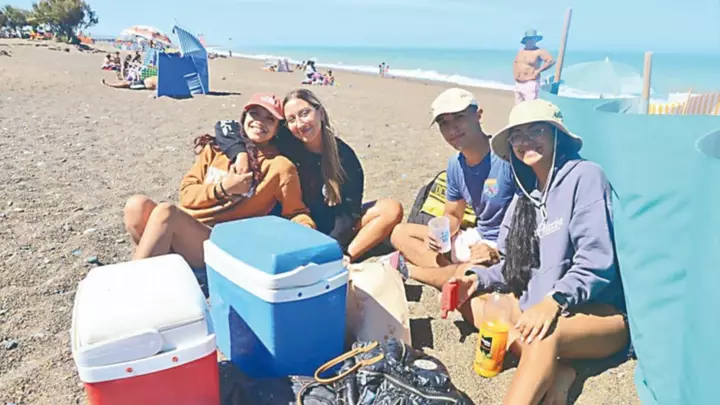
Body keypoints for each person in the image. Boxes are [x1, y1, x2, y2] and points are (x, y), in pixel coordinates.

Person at [450, 99, 628, 405]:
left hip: (596, 314)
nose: (526, 141)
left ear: (556, 135)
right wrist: (477, 279)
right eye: (517, 135)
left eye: (537, 131)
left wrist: (553, 300)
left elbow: (595, 262)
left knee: (542, 335)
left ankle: (550, 366)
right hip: (539, 309)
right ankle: (560, 371)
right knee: (474, 300)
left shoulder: (585, 176)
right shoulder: (524, 198)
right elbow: (513, 268)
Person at [123, 93, 315, 269]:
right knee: (136, 205)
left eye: (269, 119)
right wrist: (223, 188)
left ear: (277, 128)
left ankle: (135, 282)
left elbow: (295, 212)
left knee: (166, 213)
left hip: (220, 242)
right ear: (244, 118)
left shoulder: (279, 167)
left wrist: (307, 231)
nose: (259, 122)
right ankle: (155, 268)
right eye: (254, 114)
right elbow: (186, 195)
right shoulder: (215, 149)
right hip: (185, 226)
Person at [388, 88, 516, 289]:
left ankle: (413, 271)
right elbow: (454, 214)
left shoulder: (506, 158)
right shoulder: (455, 164)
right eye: (443, 123)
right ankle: (453, 275)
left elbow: (529, 221)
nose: (452, 129)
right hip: (477, 237)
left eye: (459, 118)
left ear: (478, 115)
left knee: (472, 271)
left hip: (506, 245)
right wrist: (440, 233)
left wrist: (498, 252)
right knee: (400, 232)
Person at [280, 89, 404, 262]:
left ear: (320, 113)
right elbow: (249, 132)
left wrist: (333, 245)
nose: (300, 124)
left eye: (304, 113)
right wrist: (241, 154)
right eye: (291, 119)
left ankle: (345, 257)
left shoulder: (343, 156)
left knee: (390, 208)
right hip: (301, 224)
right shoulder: (285, 145)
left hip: (336, 226)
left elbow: (349, 213)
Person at [513, 29, 555, 104]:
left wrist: (538, 71)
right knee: (518, 107)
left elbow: (551, 61)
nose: (532, 40)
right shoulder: (521, 51)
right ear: (526, 40)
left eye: (533, 38)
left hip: (530, 83)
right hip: (518, 83)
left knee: (530, 106)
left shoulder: (539, 51)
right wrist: (515, 74)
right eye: (530, 38)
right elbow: (516, 63)